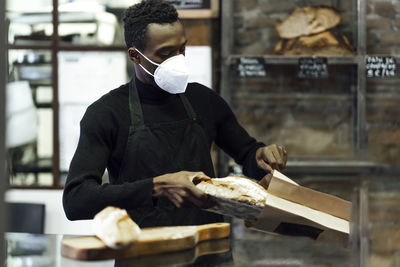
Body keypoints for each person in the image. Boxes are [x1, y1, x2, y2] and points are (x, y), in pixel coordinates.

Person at [62, 0, 287, 228]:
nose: (177, 60)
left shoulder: (203, 100)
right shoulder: (107, 114)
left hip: (209, 251)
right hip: (144, 253)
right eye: (166, 54)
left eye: (182, 50)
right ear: (135, 56)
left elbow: (247, 153)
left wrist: (260, 156)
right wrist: (157, 187)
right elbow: (76, 200)